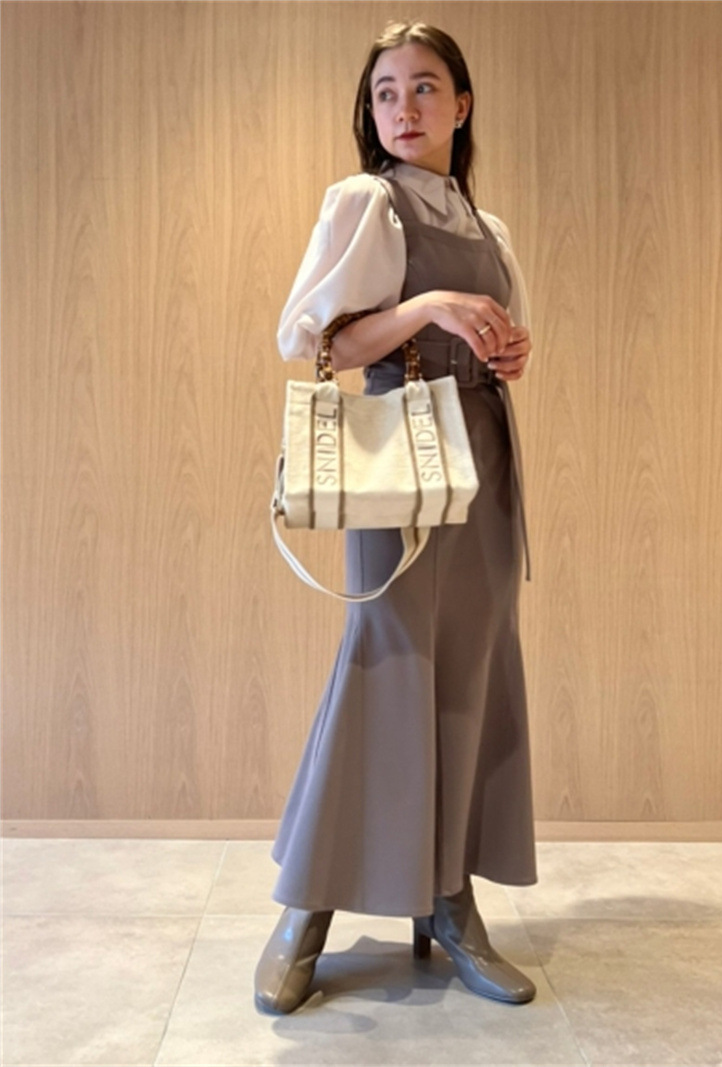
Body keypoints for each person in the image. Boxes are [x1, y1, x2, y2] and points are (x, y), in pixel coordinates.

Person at [255, 20, 538, 1013]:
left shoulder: (489, 227)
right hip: (400, 469)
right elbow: (321, 344)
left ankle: (450, 904)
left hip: (484, 462)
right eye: (384, 92)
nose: (403, 108)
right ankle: (306, 911)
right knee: (383, 671)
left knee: (468, 675)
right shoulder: (365, 202)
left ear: (462, 105)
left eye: (423, 87)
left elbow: (490, 337)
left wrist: (506, 349)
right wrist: (426, 309)